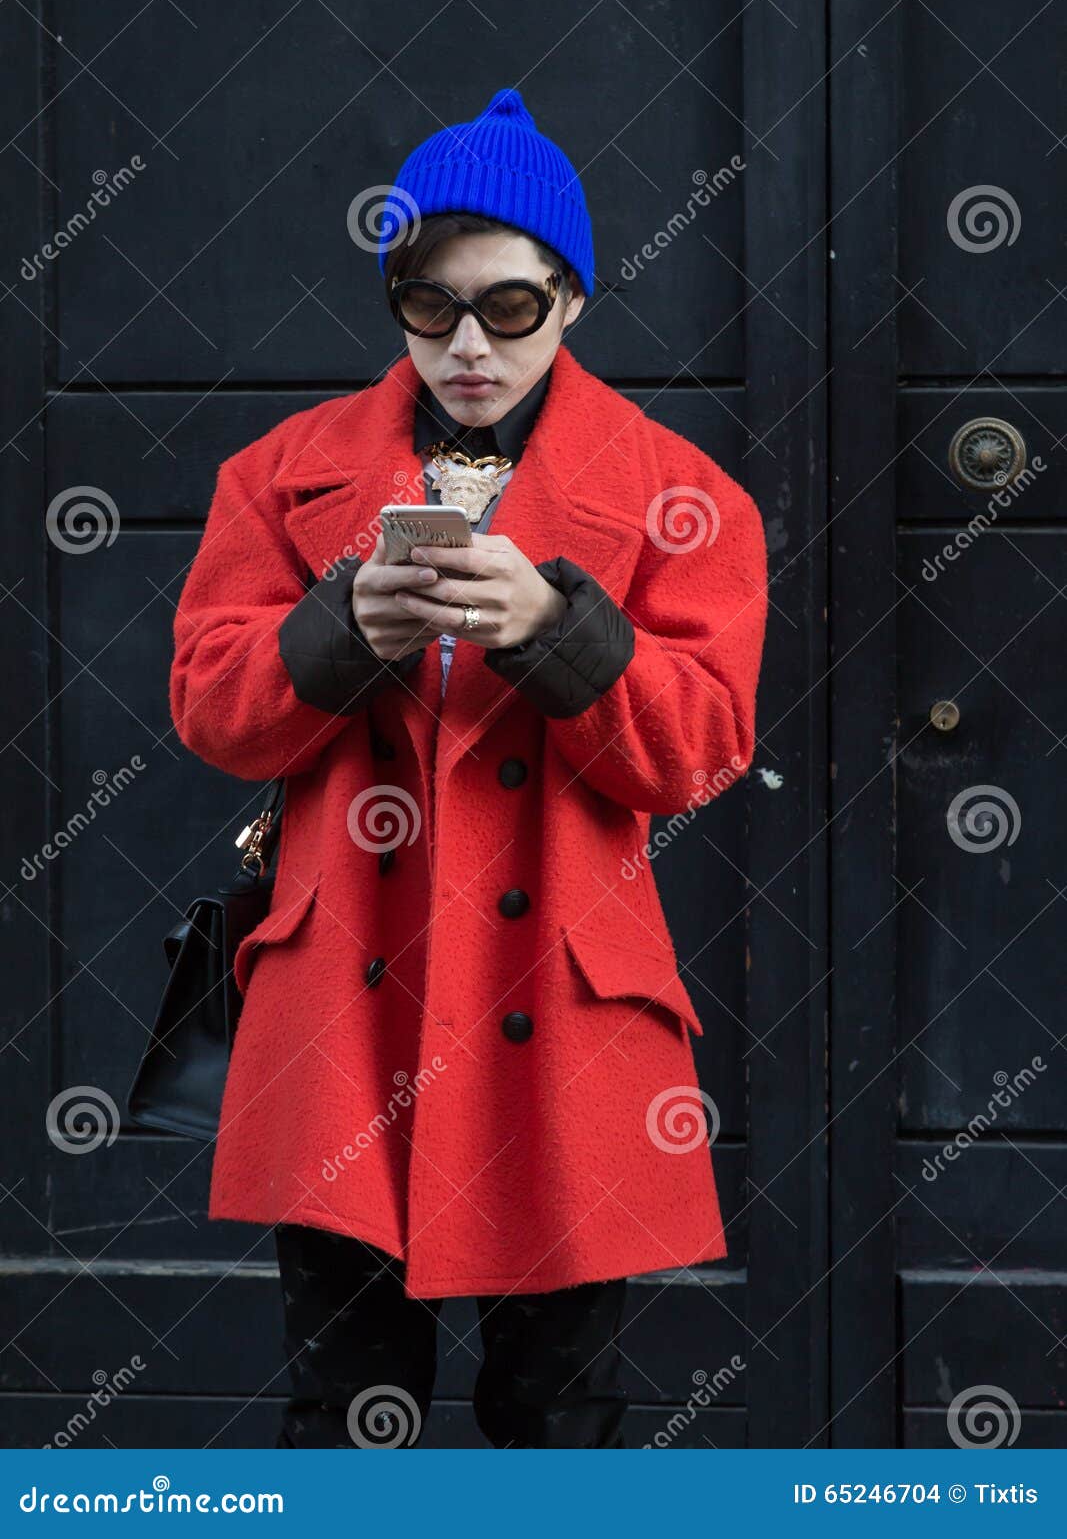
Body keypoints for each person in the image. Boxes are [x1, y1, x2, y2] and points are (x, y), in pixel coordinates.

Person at [169, 87, 769, 1448]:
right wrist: (338, 634)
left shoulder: (681, 493)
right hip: (346, 1001)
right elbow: (213, 709)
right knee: (340, 1407)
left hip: (556, 1005)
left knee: (560, 1413)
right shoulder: (280, 475)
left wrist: (563, 637)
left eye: (508, 306)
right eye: (427, 306)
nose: (467, 347)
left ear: (571, 298)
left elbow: (702, 750)